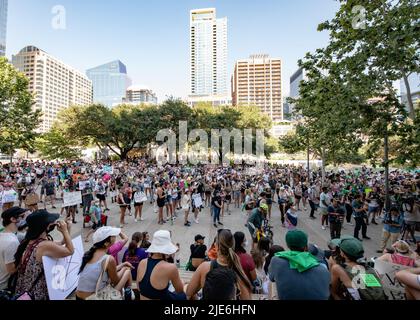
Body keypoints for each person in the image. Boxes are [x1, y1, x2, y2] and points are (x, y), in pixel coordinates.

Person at [14, 210, 74, 300]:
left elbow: (61, 243)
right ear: (47, 226)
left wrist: (68, 228)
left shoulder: (31, 240)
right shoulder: (44, 245)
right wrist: (64, 231)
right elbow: (70, 251)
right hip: (36, 292)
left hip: (26, 289)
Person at [186, 229, 252, 300]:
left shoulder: (205, 267)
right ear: (233, 246)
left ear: (216, 246)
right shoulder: (240, 274)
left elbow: (189, 293)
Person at [268, 229, 330, 300]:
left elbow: (271, 278)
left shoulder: (276, 260)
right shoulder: (323, 269)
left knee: (272, 284)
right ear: (305, 246)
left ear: (288, 245)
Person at [76, 227, 134, 300]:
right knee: (127, 272)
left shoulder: (88, 254)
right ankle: (128, 293)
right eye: (113, 236)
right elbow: (116, 281)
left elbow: (102, 270)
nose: (115, 237)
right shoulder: (108, 259)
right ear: (106, 243)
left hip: (79, 296)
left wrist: (122, 265)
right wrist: (124, 268)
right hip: (93, 297)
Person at [137, 230, 186, 300]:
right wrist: (182, 282)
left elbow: (139, 288)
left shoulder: (142, 262)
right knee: (185, 292)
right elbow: (179, 290)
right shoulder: (171, 267)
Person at [0, 207, 27, 291]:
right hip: (5, 286)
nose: (24, 219)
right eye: (22, 217)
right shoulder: (12, 242)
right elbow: (11, 270)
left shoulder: (3, 235)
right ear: (13, 219)